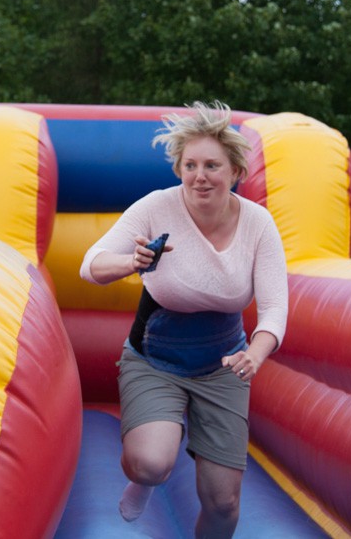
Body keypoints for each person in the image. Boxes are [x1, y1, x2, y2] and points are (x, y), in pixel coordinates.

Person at [79, 101, 288, 538]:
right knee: (150, 463)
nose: (200, 176)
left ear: (235, 171)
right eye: (190, 165)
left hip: (224, 363)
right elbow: (90, 265)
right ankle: (144, 481)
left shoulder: (257, 224)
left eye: (212, 165)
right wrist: (131, 262)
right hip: (156, 358)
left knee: (223, 503)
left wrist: (255, 353)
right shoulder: (156, 207)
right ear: (178, 169)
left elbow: (274, 307)